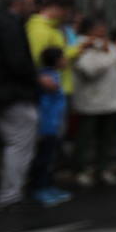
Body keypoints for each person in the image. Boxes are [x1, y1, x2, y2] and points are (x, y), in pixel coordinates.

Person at [70, 17, 116, 188]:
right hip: (91, 102)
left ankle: (103, 169)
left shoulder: (108, 46)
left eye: (103, 27)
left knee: (107, 139)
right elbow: (90, 70)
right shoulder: (82, 46)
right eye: (99, 28)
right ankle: (81, 170)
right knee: (86, 138)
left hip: (112, 100)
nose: (102, 31)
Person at [0, 0, 39, 209]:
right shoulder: (11, 25)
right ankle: (10, 192)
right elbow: (18, 62)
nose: (33, 8)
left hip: (7, 93)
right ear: (19, 4)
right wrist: (35, 80)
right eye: (31, 3)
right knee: (19, 142)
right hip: (13, 94)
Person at [31, 46, 73, 207]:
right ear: (56, 60)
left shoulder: (55, 75)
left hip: (56, 124)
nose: (65, 60)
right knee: (44, 158)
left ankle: (49, 185)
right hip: (47, 125)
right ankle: (39, 188)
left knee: (50, 158)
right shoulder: (45, 78)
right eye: (63, 58)